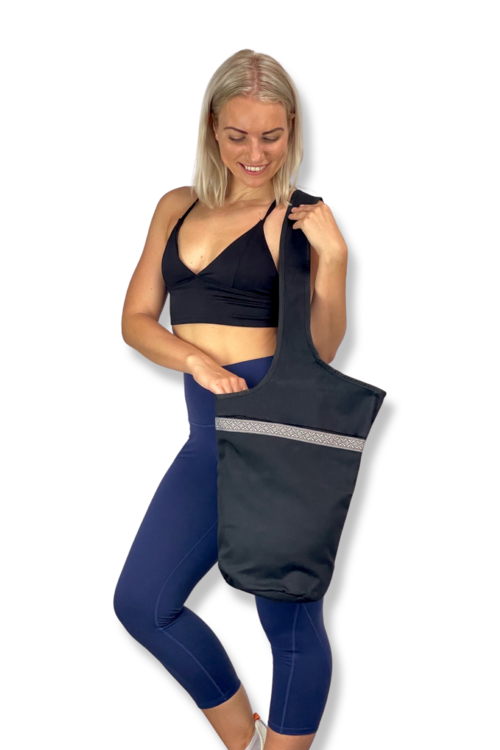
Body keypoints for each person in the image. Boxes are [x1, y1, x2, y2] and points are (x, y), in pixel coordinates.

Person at [113, 49, 348, 750]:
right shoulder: (176, 206)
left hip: (276, 438)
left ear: (292, 128)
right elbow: (136, 320)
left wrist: (334, 262)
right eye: (238, 135)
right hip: (205, 437)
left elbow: (322, 351)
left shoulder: (299, 218)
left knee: (288, 620)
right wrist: (193, 358)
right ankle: (244, 737)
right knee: (143, 603)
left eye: (271, 137)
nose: (255, 154)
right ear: (212, 127)